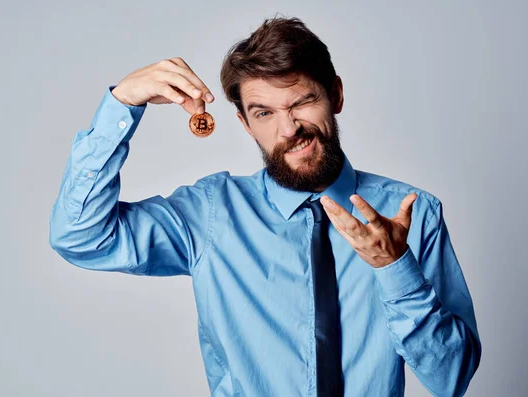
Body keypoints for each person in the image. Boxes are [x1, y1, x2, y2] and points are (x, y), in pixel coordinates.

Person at [49, 16, 481, 397]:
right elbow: (80, 237)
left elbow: (453, 378)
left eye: (302, 102)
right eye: (264, 113)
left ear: (336, 95)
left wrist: (395, 268)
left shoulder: (411, 212)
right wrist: (122, 104)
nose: (289, 128)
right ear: (244, 123)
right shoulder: (209, 215)